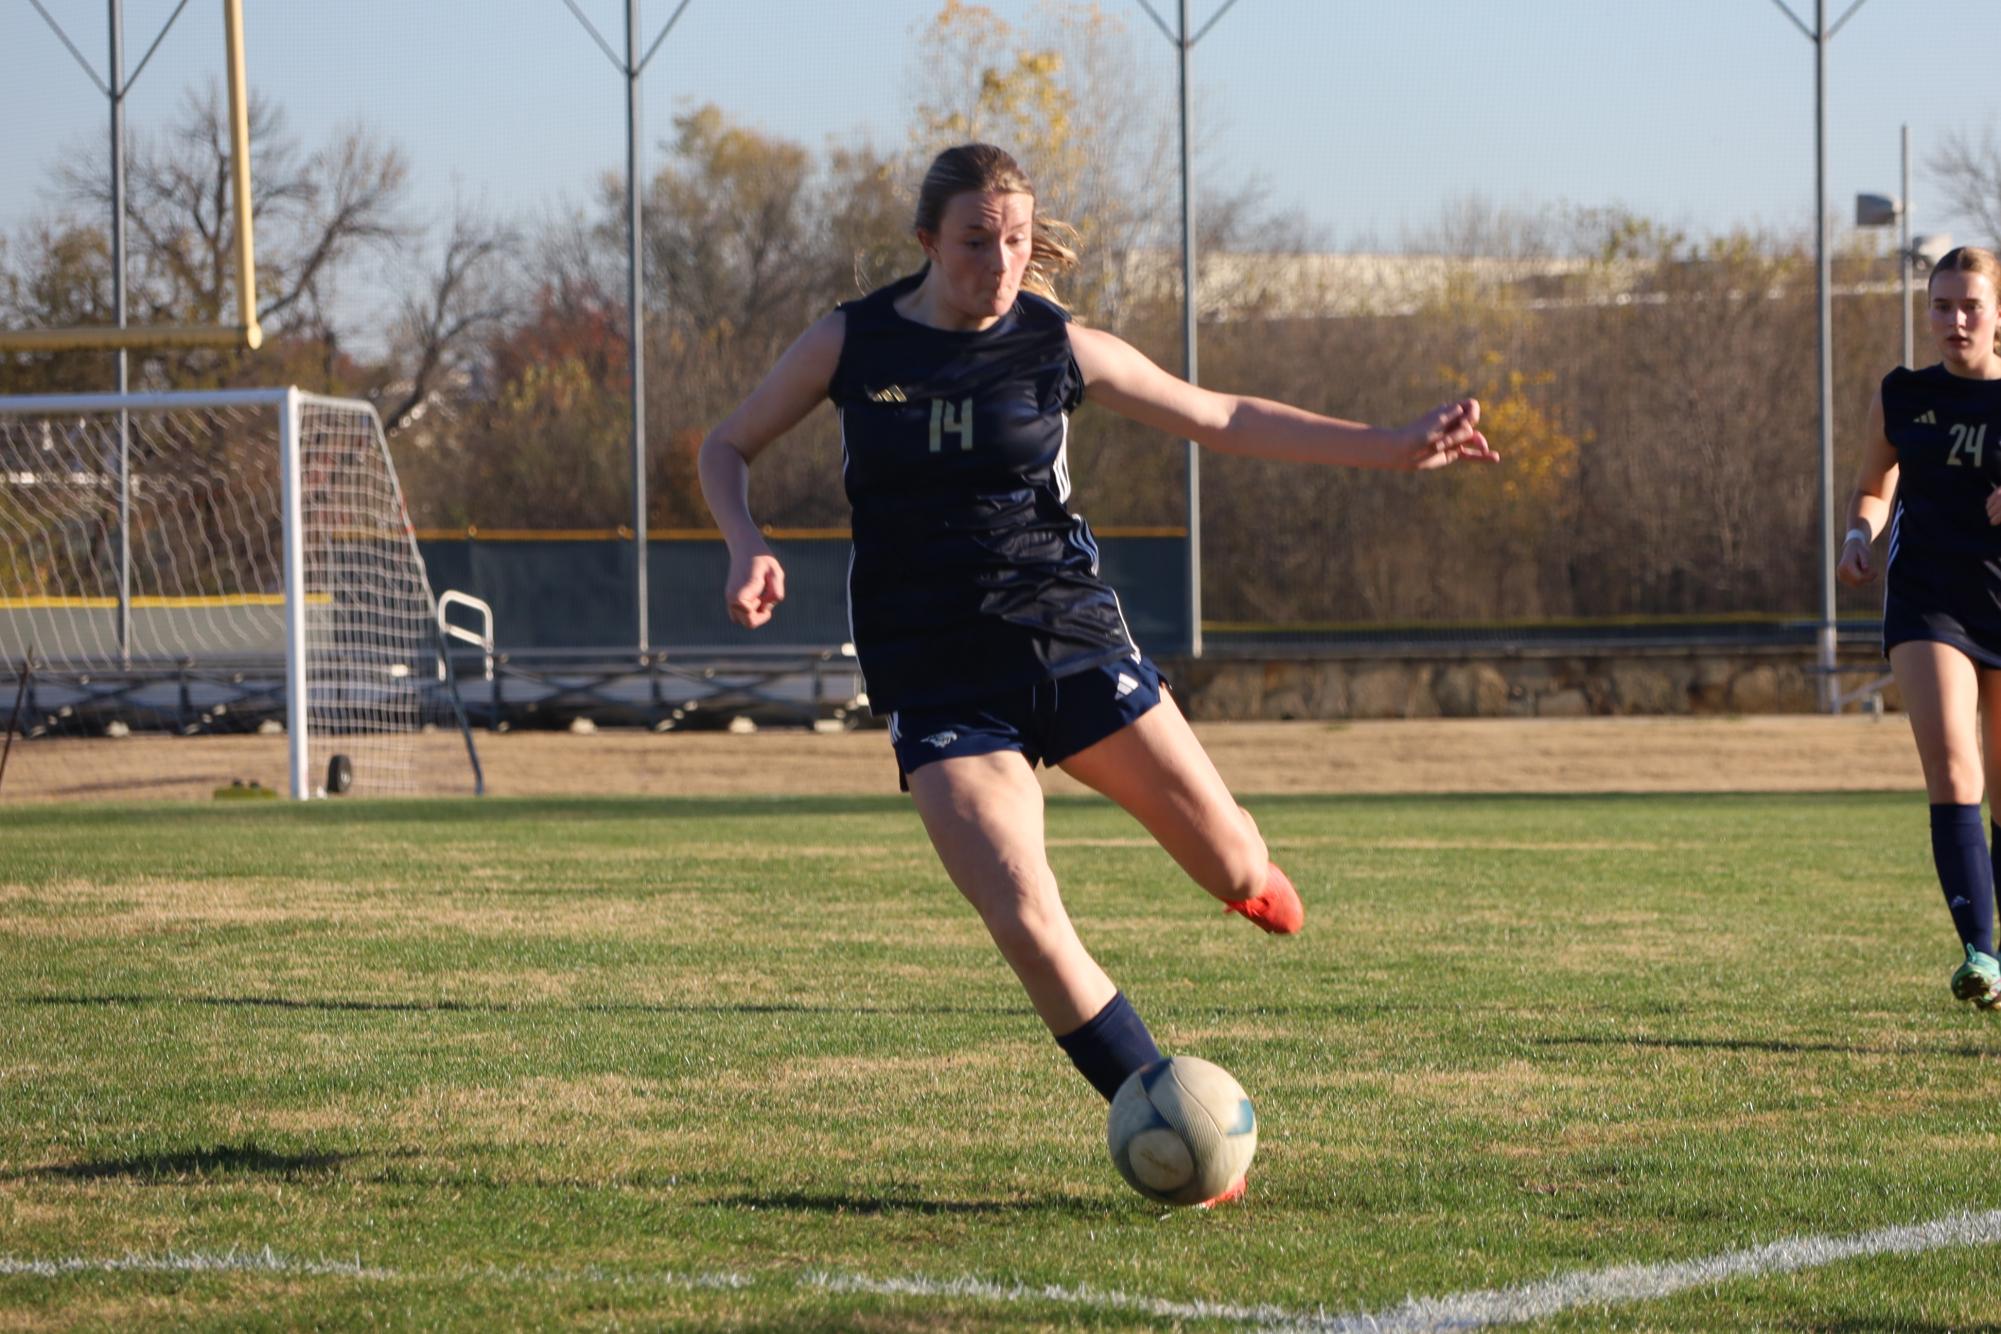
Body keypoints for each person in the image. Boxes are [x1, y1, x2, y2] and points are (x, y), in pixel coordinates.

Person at [697, 144, 1497, 1201]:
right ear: (927, 242)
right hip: (933, 674)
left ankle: (1246, 876)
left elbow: (1221, 416)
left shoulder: (1055, 342)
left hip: (1068, 640)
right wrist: (744, 539)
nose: (1001, 260)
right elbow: (726, 445)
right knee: (1023, 910)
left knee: (1233, 858)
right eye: (977, 240)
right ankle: (1168, 1115)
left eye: (1018, 239)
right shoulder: (851, 340)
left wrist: (1393, 446)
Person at [1838, 245, 2001, 1010]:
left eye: (1969, 305)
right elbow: (1874, 483)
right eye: (1940, 305)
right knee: (1952, 765)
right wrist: (1856, 534)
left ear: (1997, 314)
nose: (1954, 319)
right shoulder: (1902, 395)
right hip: (1929, 603)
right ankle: (1980, 954)